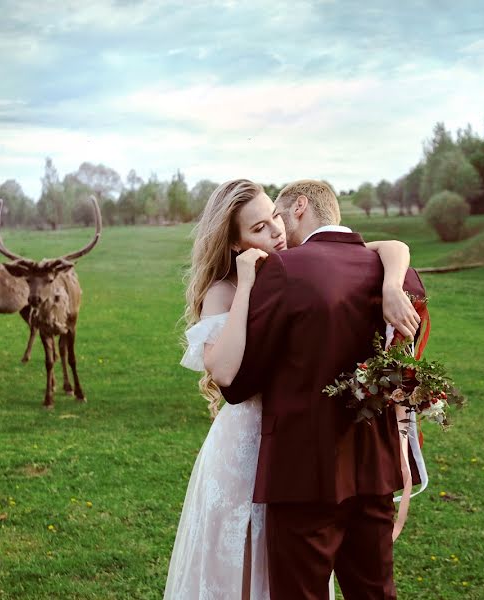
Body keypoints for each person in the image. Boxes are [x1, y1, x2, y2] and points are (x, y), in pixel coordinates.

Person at [164, 179, 420, 599]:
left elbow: (386, 246)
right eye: (261, 229)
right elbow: (228, 378)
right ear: (236, 244)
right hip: (250, 446)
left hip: (298, 447)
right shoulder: (227, 289)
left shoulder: (297, 266)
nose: (277, 232)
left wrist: (393, 282)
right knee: (245, 568)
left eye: (275, 218)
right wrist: (246, 283)